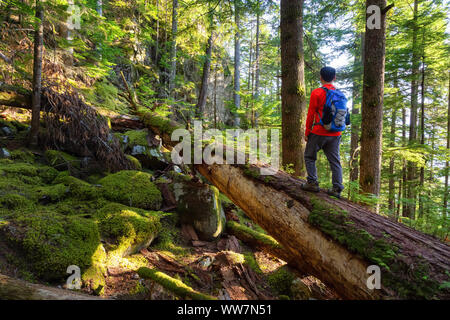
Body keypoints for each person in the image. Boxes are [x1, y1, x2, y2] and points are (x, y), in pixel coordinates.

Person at [301, 66, 344, 198]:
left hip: (319, 131)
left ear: (321, 78)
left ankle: (312, 183)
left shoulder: (317, 93)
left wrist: (307, 132)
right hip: (336, 133)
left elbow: (311, 115)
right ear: (334, 78)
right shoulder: (340, 94)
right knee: (335, 161)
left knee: (309, 156)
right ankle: (337, 188)